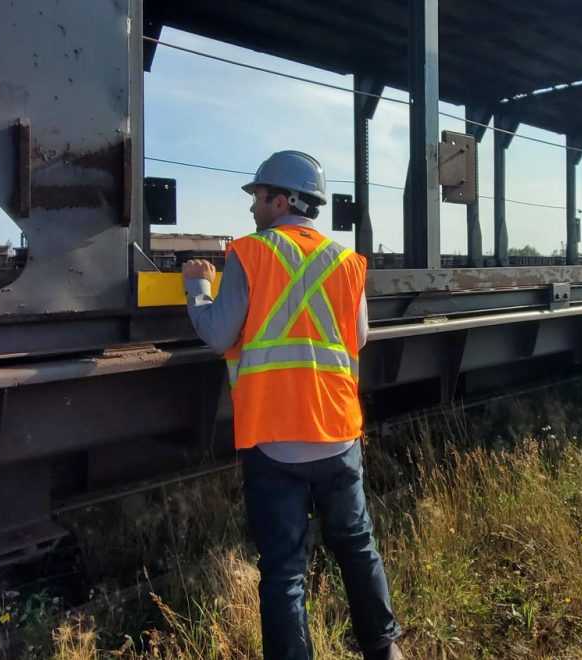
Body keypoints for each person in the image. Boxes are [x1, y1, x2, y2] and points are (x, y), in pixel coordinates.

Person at [179, 151, 403, 660]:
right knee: (356, 544)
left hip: (274, 436)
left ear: (282, 200)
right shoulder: (347, 262)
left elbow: (218, 334)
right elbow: (359, 338)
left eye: (259, 198)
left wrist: (197, 288)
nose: (254, 208)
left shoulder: (250, 253)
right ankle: (384, 650)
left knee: (284, 570)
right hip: (337, 433)